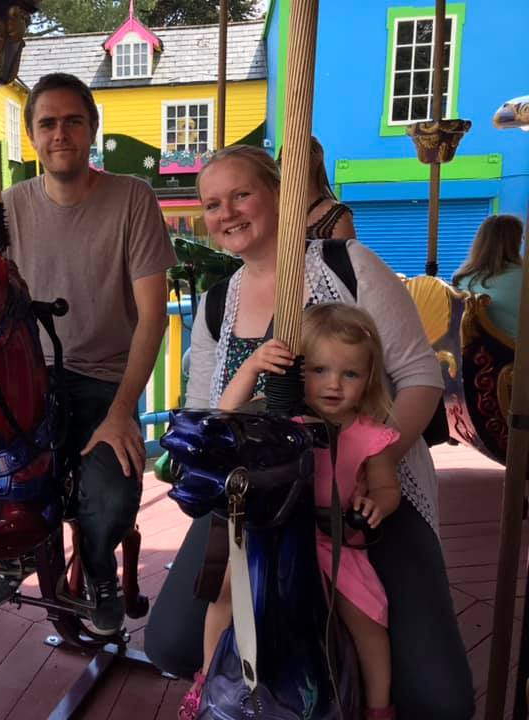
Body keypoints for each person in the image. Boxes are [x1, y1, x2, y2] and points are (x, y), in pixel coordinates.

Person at [145, 145, 474, 718]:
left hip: (359, 492)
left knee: (440, 698)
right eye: (212, 204)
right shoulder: (219, 303)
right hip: (256, 495)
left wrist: (379, 467)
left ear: (281, 195)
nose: (227, 213)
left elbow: (420, 378)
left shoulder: (349, 266)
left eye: (241, 194)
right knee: (172, 641)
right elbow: (206, 411)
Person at [0, 72, 176, 635]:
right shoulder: (8, 207)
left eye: (73, 121)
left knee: (108, 489)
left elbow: (152, 314)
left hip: (101, 379)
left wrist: (124, 409)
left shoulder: (132, 198)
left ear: (92, 130)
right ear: (32, 136)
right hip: (23, 378)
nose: (61, 134)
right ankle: (17, 552)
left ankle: (99, 570)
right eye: (48, 123)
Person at [178, 303, 401, 720]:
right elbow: (224, 421)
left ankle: (378, 706)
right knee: (226, 594)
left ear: (368, 377)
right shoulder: (284, 419)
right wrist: (251, 369)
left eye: (349, 374)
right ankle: (206, 678)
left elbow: (388, 487)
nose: (333, 385)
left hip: (332, 542)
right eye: (319, 371)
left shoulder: (370, 435)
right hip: (274, 533)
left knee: (368, 620)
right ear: (299, 372)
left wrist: (375, 504)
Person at [452, 214, 525, 338]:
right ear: (517, 242)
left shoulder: (461, 279)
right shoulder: (523, 278)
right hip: (517, 354)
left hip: (473, 354)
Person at [279, 136, 356, 239]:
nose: (291, 162)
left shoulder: (337, 216)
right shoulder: (276, 210)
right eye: (285, 157)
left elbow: (345, 253)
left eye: (297, 154)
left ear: (316, 158)